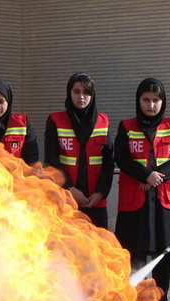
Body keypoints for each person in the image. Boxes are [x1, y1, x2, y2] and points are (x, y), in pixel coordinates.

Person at [114, 77, 170, 301]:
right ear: (139, 101)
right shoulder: (126, 126)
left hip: (163, 198)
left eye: (156, 100)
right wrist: (145, 175)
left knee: (162, 251)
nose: (151, 104)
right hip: (137, 197)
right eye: (146, 99)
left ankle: (160, 299)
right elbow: (122, 157)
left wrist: (157, 176)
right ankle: (135, 298)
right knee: (135, 249)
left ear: (162, 102)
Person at [44, 73, 114, 229]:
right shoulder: (56, 120)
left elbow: (109, 162)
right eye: (76, 92)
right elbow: (51, 159)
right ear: (69, 93)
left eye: (86, 92)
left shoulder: (103, 121)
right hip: (66, 198)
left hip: (95, 200)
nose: (81, 97)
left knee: (99, 248)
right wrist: (69, 188)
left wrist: (101, 193)